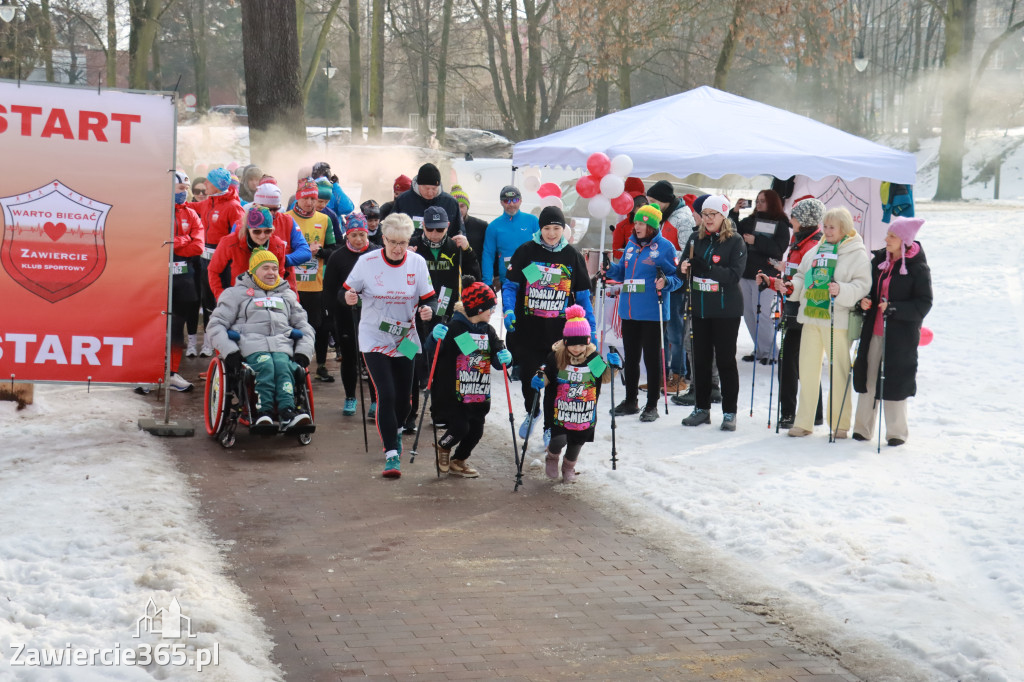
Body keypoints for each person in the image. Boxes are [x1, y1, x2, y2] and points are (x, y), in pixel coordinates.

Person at [344, 213, 437, 479]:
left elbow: (429, 299)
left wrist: (429, 311)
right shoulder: (367, 262)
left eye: (403, 243)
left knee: (405, 401)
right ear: (383, 239)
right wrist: (349, 297)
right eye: (393, 242)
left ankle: (395, 431)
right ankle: (391, 455)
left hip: (405, 338)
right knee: (386, 393)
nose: (398, 248)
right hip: (374, 337)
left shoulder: (417, 263)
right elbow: (344, 293)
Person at [502, 206, 596, 440]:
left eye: (556, 228)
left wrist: (590, 330)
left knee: (555, 383)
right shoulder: (526, 251)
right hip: (529, 330)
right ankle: (531, 411)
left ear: (563, 229)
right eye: (547, 228)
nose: (552, 233)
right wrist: (507, 310)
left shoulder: (572, 256)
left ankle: (549, 427)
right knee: (529, 380)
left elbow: (583, 296)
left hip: (559, 335)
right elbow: (511, 286)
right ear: (540, 229)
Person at [783, 206, 871, 438]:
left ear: (844, 228)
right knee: (807, 370)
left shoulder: (857, 253)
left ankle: (840, 424)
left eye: (832, 227)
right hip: (812, 317)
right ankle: (804, 422)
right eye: (825, 226)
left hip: (838, 320)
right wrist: (792, 287)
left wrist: (841, 289)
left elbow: (863, 285)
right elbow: (802, 276)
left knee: (839, 372)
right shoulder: (817, 250)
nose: (827, 230)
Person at [206, 248, 315, 433]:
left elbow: (305, 327)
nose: (271, 273)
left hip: (282, 346)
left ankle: (287, 412)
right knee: (266, 365)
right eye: (265, 268)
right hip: (251, 346)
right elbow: (215, 325)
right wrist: (229, 351)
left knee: (282, 365)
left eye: (274, 268)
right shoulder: (235, 294)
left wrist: (303, 352)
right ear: (252, 271)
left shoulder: (287, 295)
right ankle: (262, 412)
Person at [852, 216, 932, 446]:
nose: (886, 239)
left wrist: (894, 309)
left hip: (900, 336)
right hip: (874, 330)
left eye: (892, 236)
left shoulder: (918, 268)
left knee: (896, 378)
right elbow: (869, 290)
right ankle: (862, 428)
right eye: (887, 234)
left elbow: (924, 303)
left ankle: (896, 432)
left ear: (904, 240)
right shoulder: (879, 261)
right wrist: (865, 301)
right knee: (867, 375)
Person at [404, 205, 481, 432]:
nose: (435, 234)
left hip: (446, 314)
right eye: (430, 229)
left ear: (447, 226)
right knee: (413, 362)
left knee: (443, 364)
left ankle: (440, 412)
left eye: (439, 229)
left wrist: (468, 252)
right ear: (423, 226)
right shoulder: (414, 246)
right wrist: (404, 254)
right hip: (415, 314)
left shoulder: (455, 246)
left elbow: (474, 278)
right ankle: (408, 415)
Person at [602, 203, 680, 422]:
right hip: (630, 311)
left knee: (652, 360)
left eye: (640, 223)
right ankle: (630, 401)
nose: (635, 226)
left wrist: (665, 282)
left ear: (651, 226)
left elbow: (676, 279)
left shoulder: (665, 247)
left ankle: (652, 405)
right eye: (635, 222)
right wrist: (610, 268)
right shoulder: (630, 245)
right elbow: (623, 273)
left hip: (652, 313)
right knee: (632, 358)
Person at [678, 194, 747, 431]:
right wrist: (684, 267)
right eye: (704, 214)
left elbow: (733, 275)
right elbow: (682, 268)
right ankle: (702, 408)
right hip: (700, 308)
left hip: (726, 310)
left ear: (723, 215)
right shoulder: (695, 238)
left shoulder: (735, 240)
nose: (707, 219)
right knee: (701, 359)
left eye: (712, 214)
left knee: (726, 360)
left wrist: (707, 269)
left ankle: (730, 412)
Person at [428, 281, 511, 477]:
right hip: (453, 391)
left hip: (478, 392)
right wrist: (433, 338)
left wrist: (505, 357)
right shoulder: (454, 328)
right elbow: (432, 352)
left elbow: (498, 356)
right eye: (490, 307)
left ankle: (459, 460)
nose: (492, 311)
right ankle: (443, 447)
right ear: (478, 307)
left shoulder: (488, 331)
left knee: (476, 430)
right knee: (460, 427)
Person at [757, 197, 826, 429]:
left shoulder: (813, 246)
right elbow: (792, 279)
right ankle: (811, 413)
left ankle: (792, 413)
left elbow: (811, 283)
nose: (791, 220)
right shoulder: (798, 241)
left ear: (805, 220)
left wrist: (784, 286)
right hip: (792, 309)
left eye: (795, 216)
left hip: (805, 313)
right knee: (796, 363)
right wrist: (771, 282)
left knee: (795, 364)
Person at [531, 305, 611, 483]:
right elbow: (547, 375)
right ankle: (552, 457)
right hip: (560, 409)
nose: (577, 348)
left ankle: (569, 467)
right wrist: (539, 379)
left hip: (584, 411)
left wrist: (612, 367)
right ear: (565, 342)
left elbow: (605, 378)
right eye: (573, 344)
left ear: (588, 342)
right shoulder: (557, 357)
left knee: (577, 441)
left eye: (582, 344)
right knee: (559, 437)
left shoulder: (592, 358)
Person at [322, 214, 379, 416]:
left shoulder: (376, 253)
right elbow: (329, 289)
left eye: (362, 234)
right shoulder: (338, 256)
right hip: (346, 315)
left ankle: (374, 400)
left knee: (371, 358)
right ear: (347, 235)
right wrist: (331, 314)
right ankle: (350, 397)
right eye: (354, 235)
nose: (358, 239)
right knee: (349, 358)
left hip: (372, 315)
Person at [187, 167, 246, 356]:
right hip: (205, 263)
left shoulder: (233, 206)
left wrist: (224, 256)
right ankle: (209, 342)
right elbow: (190, 207)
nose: (204, 185)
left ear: (217, 185)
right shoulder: (208, 202)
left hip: (224, 265)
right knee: (208, 304)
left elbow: (237, 237)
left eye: (208, 182)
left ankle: (226, 348)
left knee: (223, 304)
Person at [286, 179, 338, 383]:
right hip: (291, 283)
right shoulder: (286, 218)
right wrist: (301, 251)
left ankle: (321, 366)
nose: (310, 203)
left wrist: (320, 252)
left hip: (316, 284)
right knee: (291, 325)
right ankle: (291, 364)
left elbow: (334, 250)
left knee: (318, 326)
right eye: (306, 198)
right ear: (298, 197)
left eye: (313, 199)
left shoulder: (324, 220)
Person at [732, 189, 791, 364]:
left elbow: (778, 250)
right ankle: (760, 349)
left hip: (767, 276)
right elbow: (732, 231)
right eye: (757, 200)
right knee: (749, 314)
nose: (758, 204)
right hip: (746, 273)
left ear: (772, 202)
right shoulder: (749, 221)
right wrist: (734, 212)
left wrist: (756, 241)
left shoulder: (781, 225)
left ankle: (771, 352)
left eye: (763, 201)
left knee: (763, 314)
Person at [208, 206, 291, 301]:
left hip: (264, 299)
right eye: (257, 231)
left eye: (267, 231)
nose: (262, 236)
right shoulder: (229, 243)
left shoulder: (278, 245)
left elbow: (279, 274)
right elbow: (214, 271)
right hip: (235, 298)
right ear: (248, 229)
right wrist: (221, 297)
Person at [170, 172, 204, 390]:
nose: (186, 193)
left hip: (184, 279)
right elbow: (155, 242)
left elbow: (198, 246)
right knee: (153, 328)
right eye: (181, 189)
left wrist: (175, 241)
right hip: (157, 278)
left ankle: (172, 373)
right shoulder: (154, 211)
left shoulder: (191, 214)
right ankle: (148, 373)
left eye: (186, 189)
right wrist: (184, 240)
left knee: (176, 329)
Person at [482, 185, 540, 289]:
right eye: (506, 201)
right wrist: (487, 283)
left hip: (532, 275)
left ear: (521, 201)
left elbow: (544, 248)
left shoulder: (532, 220)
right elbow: (488, 255)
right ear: (501, 203)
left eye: (515, 200)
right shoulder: (494, 226)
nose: (511, 204)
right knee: (509, 305)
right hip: (508, 276)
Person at [392, 163, 464, 237]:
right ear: (418, 185)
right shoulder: (403, 200)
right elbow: (391, 228)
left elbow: (459, 232)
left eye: (434, 189)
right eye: (426, 188)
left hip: (443, 247)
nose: (430, 193)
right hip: (411, 247)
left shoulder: (450, 203)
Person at [451, 184, 489, 256]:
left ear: (467, 207)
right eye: (455, 206)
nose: (459, 210)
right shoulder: (443, 228)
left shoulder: (482, 226)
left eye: (462, 206)